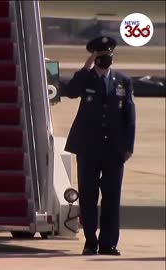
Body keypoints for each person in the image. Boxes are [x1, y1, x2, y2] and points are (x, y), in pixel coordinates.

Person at [64, 36, 136, 256]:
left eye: (109, 54)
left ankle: (109, 243)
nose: (106, 58)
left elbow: (129, 115)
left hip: (114, 149)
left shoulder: (123, 81)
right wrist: (86, 67)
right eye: (101, 55)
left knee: (112, 197)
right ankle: (90, 241)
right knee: (88, 195)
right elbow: (71, 91)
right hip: (88, 148)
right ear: (95, 57)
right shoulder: (86, 79)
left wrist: (128, 146)